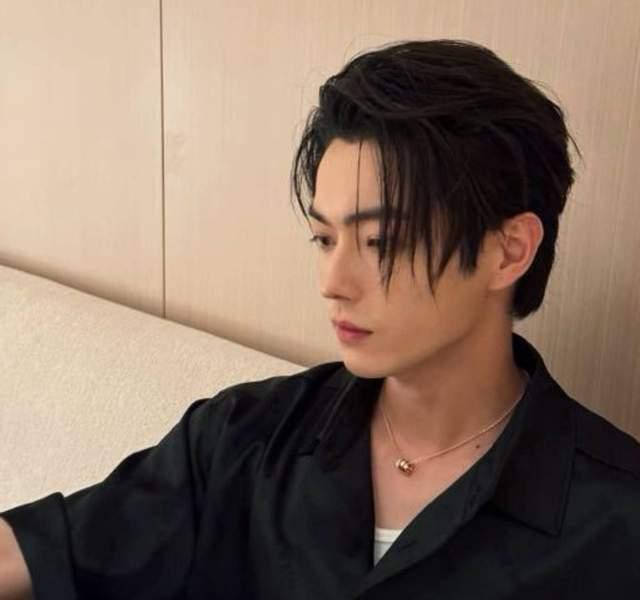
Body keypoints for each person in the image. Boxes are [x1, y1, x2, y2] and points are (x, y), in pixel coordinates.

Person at [1, 38, 639, 599]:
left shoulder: (615, 524)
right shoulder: (243, 439)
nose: (333, 283)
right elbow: (40, 552)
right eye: (325, 239)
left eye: (381, 242)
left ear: (509, 251)